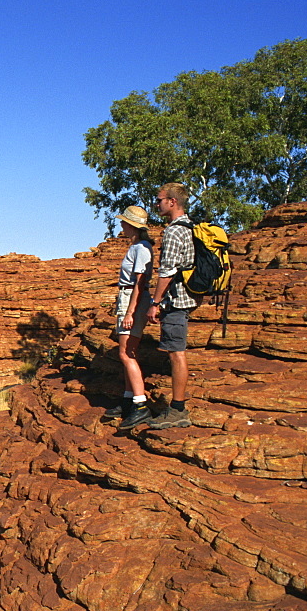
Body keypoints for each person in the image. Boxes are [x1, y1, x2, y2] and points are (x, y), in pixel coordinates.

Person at [145, 182, 200, 429]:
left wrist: (155, 303)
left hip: (177, 300)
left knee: (176, 353)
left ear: (172, 202)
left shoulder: (175, 231)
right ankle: (177, 407)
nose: (157, 204)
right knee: (175, 351)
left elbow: (167, 271)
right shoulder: (190, 226)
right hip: (186, 296)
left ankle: (178, 410)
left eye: (159, 200)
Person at [107, 206, 154, 430]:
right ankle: (128, 401)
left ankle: (140, 404)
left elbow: (140, 282)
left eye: (123, 222)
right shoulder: (136, 246)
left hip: (132, 299)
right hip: (127, 297)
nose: (121, 226)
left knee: (126, 354)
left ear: (132, 225)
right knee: (126, 352)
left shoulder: (142, 248)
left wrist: (130, 312)